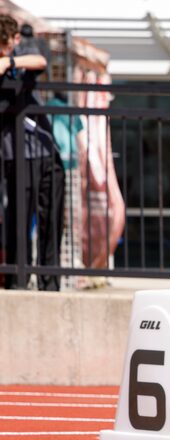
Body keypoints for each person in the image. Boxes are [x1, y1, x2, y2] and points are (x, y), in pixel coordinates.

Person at [0, 14, 65, 291]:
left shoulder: (21, 52)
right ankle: (18, 281)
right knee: (19, 221)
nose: (11, 47)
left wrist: (8, 61)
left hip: (45, 148)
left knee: (52, 218)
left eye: (11, 43)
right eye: (6, 45)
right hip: (15, 153)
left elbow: (40, 62)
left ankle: (49, 282)